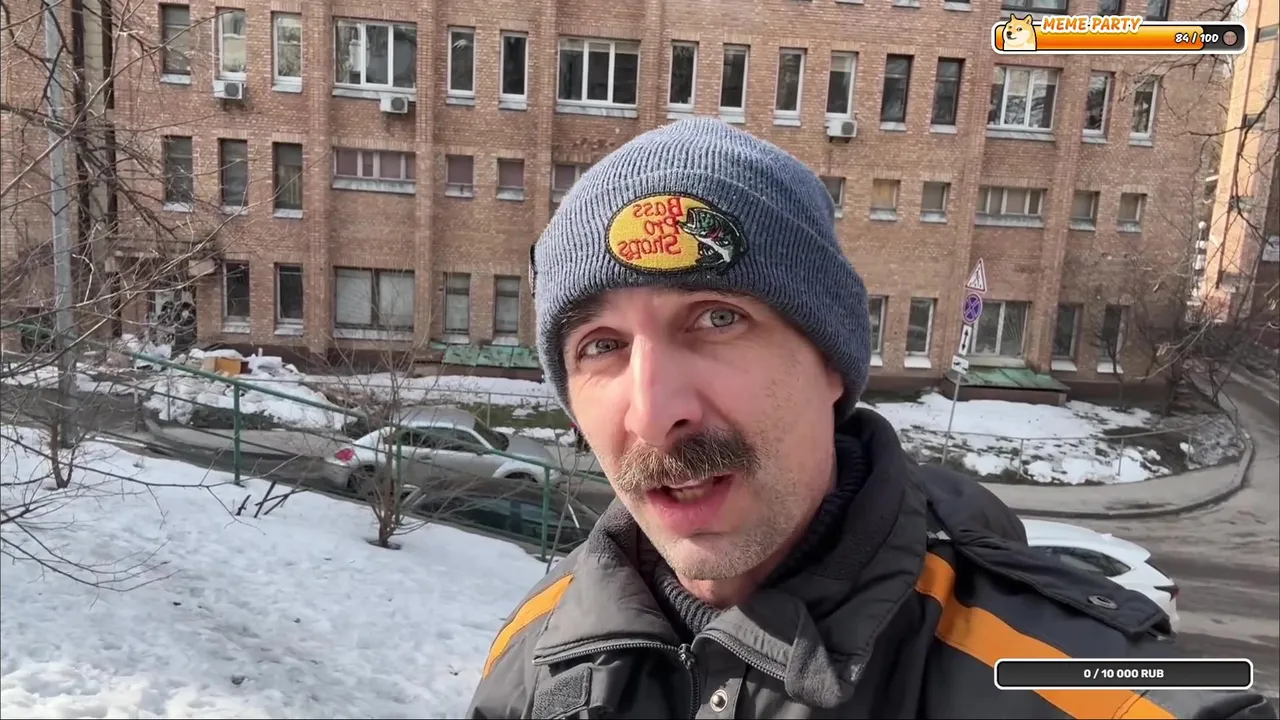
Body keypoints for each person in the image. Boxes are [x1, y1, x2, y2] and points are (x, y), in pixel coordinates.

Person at [467, 118, 1276, 719]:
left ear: (831, 362)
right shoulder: (535, 654)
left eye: (716, 319)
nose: (653, 413)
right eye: (601, 346)